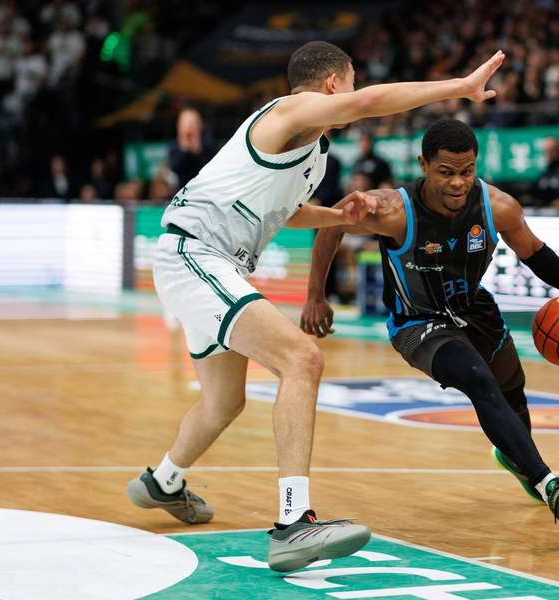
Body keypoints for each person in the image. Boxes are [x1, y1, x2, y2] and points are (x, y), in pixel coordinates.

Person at [125, 41, 506, 573]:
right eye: (351, 81)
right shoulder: (290, 111)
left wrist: (337, 213)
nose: (353, 92)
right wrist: (458, 89)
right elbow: (370, 103)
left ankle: (162, 481)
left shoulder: (310, 150)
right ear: (333, 84)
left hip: (209, 264)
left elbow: (286, 212)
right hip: (196, 253)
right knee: (301, 359)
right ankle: (292, 523)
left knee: (223, 402)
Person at [302, 119, 559, 535]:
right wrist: (316, 295)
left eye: (467, 171)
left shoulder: (498, 207)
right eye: (446, 172)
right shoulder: (393, 210)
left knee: (512, 386)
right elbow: (331, 223)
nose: (458, 182)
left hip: (474, 309)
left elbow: (533, 251)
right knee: (478, 379)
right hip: (418, 322)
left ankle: (517, 459)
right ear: (424, 165)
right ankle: (552, 486)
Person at [167, 107, 213, 189]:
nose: (189, 127)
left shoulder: (208, 146)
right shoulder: (173, 146)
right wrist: (184, 148)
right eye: (186, 123)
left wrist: (197, 150)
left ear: (201, 126)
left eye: (193, 123)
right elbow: (174, 168)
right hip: (181, 192)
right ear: (179, 126)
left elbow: (210, 170)